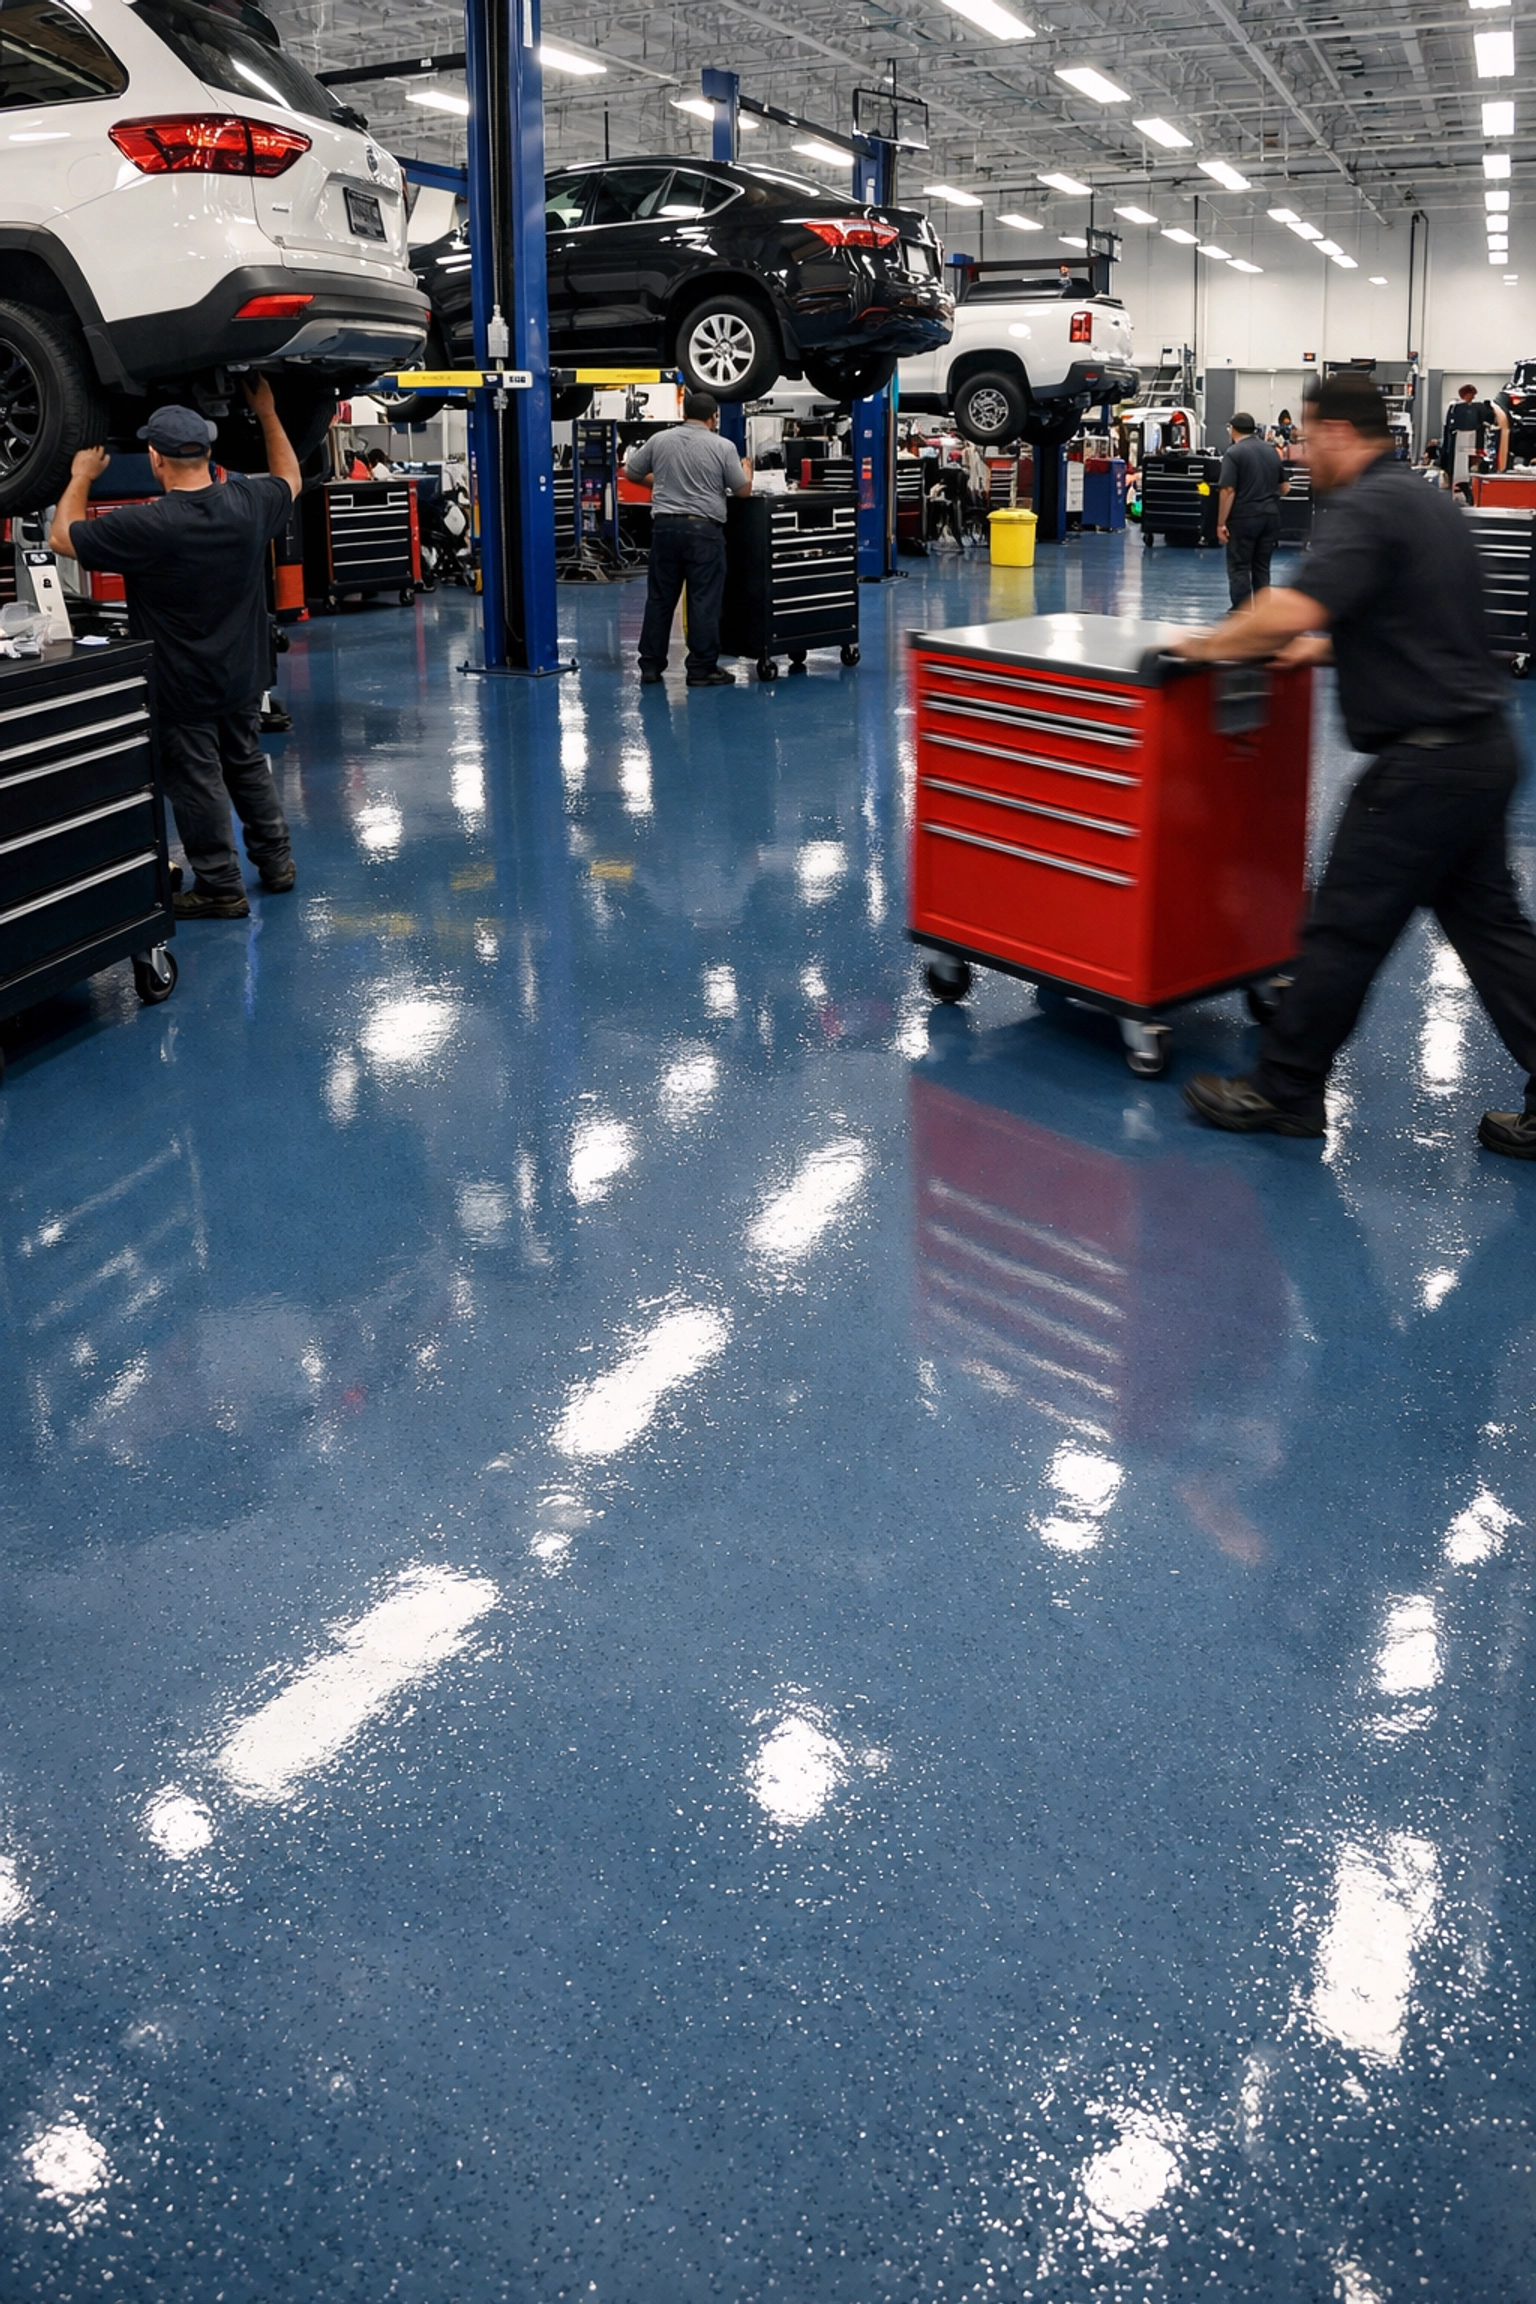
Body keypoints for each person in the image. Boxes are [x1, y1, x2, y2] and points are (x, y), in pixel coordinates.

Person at [1169, 370, 1536, 1159]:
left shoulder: (1368, 506)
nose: (1302, 454)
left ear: (1339, 432)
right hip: (1481, 752)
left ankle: (1284, 1090)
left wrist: (1200, 647)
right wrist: (1321, 650)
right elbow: (1413, 620)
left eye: (1307, 438)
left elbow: (1287, 609)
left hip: (1425, 769)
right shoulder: (1426, 502)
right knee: (1496, 937)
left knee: (1342, 928)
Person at [49, 380, 301, 920]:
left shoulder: (149, 524)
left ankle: (220, 887)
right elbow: (290, 479)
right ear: (207, 453)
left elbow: (62, 538)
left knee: (197, 779)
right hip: (243, 677)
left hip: (183, 686)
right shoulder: (249, 504)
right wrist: (267, 412)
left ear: (156, 459)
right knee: (246, 763)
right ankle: (277, 863)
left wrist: (81, 476)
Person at [625, 391, 751, 686]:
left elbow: (632, 472)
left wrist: (662, 482)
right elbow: (742, 491)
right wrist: (747, 470)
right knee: (703, 600)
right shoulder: (723, 446)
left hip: (665, 529)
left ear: (684, 413)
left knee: (659, 599)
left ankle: (650, 666)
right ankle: (701, 669)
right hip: (703, 532)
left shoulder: (660, 440)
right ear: (713, 417)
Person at [1217, 411, 1288, 607]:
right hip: (1270, 517)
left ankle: (1242, 612)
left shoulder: (1234, 453)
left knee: (1240, 567)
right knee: (1262, 567)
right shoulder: (1271, 451)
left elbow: (1228, 490)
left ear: (1232, 429)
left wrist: (1221, 523)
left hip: (1244, 518)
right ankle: (1262, 612)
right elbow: (1285, 488)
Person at [1439, 381, 1509, 491]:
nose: (1472, 397)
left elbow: (1487, 417)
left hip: (1473, 435)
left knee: (1470, 456)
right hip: (1460, 435)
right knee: (1460, 458)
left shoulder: (1476, 407)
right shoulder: (1456, 407)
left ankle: (1468, 480)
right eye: (1471, 394)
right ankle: (1459, 480)